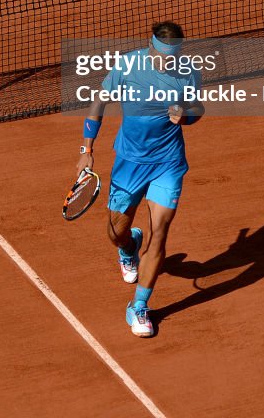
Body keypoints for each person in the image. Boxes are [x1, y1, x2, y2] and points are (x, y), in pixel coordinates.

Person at [76, 21, 204, 338]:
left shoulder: (188, 71)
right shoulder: (128, 66)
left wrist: (185, 116)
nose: (168, 64)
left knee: (159, 233)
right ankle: (129, 246)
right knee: (116, 231)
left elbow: (197, 108)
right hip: (129, 162)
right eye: (164, 58)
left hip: (168, 163)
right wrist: (86, 149)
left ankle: (139, 306)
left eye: (173, 58)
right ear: (151, 49)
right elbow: (99, 101)